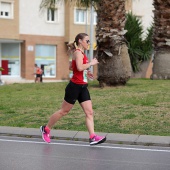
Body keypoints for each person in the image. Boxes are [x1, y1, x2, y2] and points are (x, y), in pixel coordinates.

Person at [40, 33, 106, 145]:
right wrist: (91, 63)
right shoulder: (78, 53)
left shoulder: (81, 53)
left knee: (89, 112)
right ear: (80, 41)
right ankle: (46, 129)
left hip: (83, 87)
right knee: (64, 111)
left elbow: (72, 67)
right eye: (87, 41)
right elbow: (79, 67)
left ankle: (92, 137)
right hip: (74, 87)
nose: (89, 43)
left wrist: (87, 72)